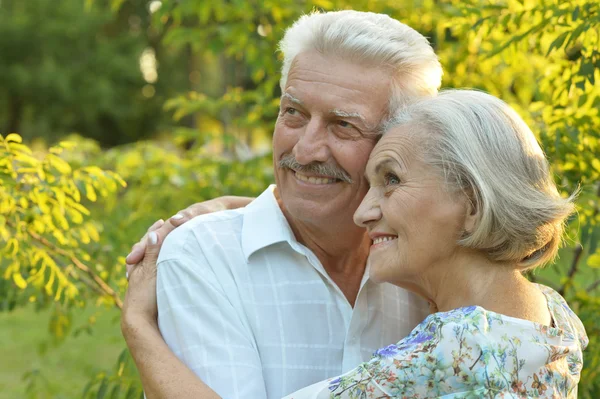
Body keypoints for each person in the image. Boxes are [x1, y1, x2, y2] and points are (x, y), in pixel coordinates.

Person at [125, 90, 588, 398]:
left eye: (391, 180)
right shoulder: (556, 324)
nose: (365, 210)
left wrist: (139, 327)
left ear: (470, 203)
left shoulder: (448, 354)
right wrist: (253, 210)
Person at [122, 10, 443, 399]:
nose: (305, 150)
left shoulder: (431, 267)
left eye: (343, 125)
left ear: (399, 143)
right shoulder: (203, 257)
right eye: (294, 113)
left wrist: (137, 326)